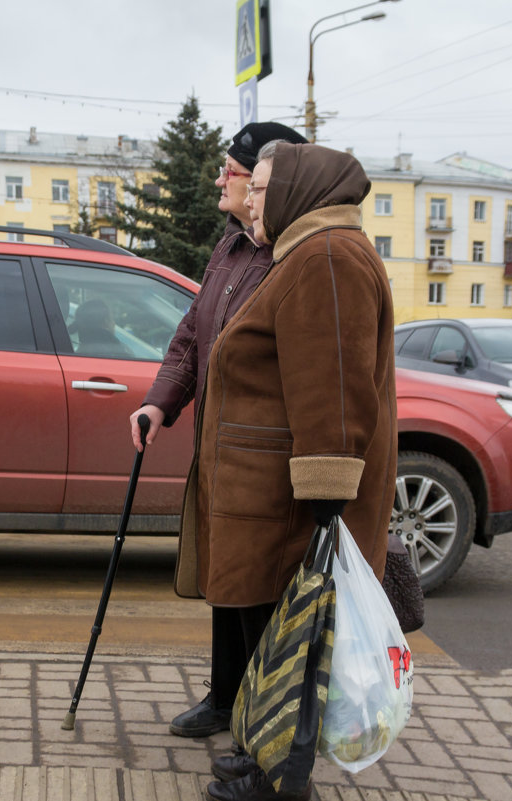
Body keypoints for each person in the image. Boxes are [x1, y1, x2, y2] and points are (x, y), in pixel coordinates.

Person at [192, 140, 398, 801]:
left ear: (297, 190)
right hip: (270, 496)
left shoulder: (327, 258)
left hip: (291, 505)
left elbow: (331, 390)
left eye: (261, 187)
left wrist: (325, 506)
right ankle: (259, 753)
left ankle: (282, 780)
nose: (250, 198)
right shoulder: (306, 254)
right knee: (271, 643)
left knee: (295, 643)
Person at [128, 122, 308, 740]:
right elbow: (190, 335)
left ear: (268, 181)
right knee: (225, 578)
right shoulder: (230, 250)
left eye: (230, 171)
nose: (220, 181)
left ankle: (265, 719)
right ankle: (225, 696)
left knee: (257, 587)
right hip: (218, 445)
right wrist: (161, 403)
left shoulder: (291, 257)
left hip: (261, 455)